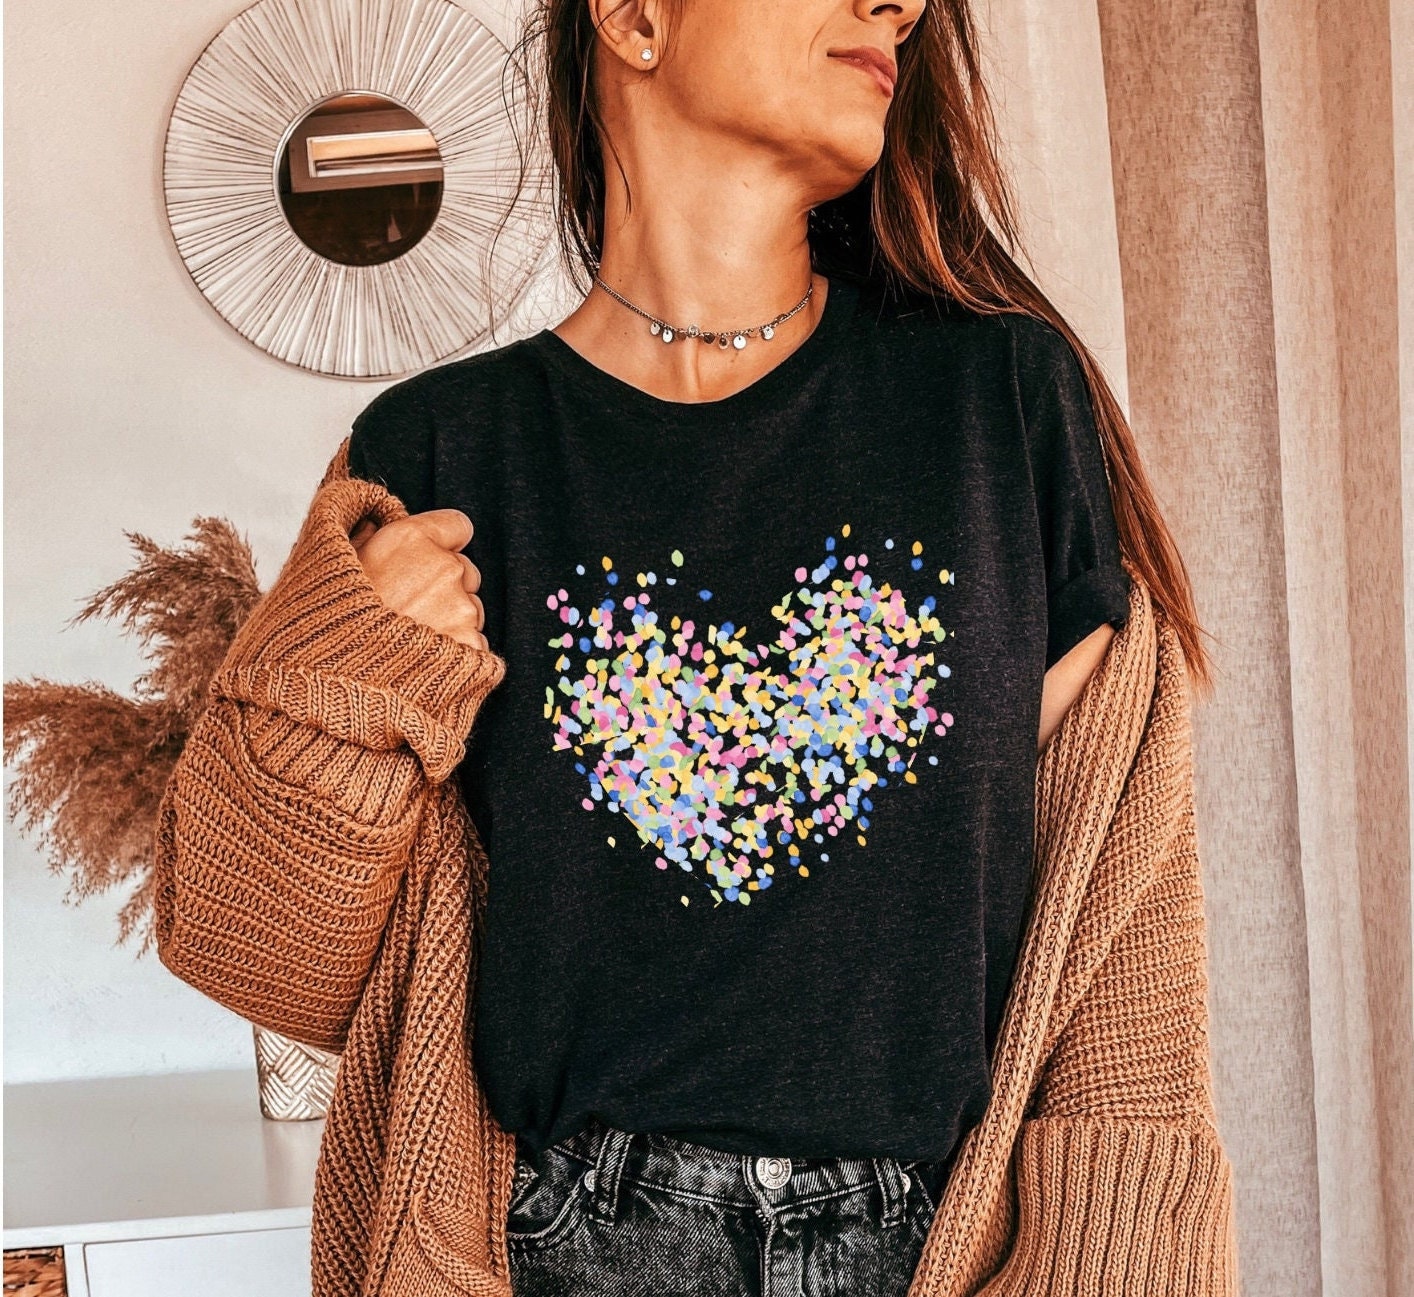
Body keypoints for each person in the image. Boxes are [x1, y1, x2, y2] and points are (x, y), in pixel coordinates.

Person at [153, 1, 1238, 1294]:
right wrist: (356, 665)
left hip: (933, 1247)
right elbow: (256, 952)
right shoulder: (442, 450)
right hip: (554, 1244)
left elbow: (1121, 949)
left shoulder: (1000, 404)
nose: (896, 4)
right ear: (634, 17)